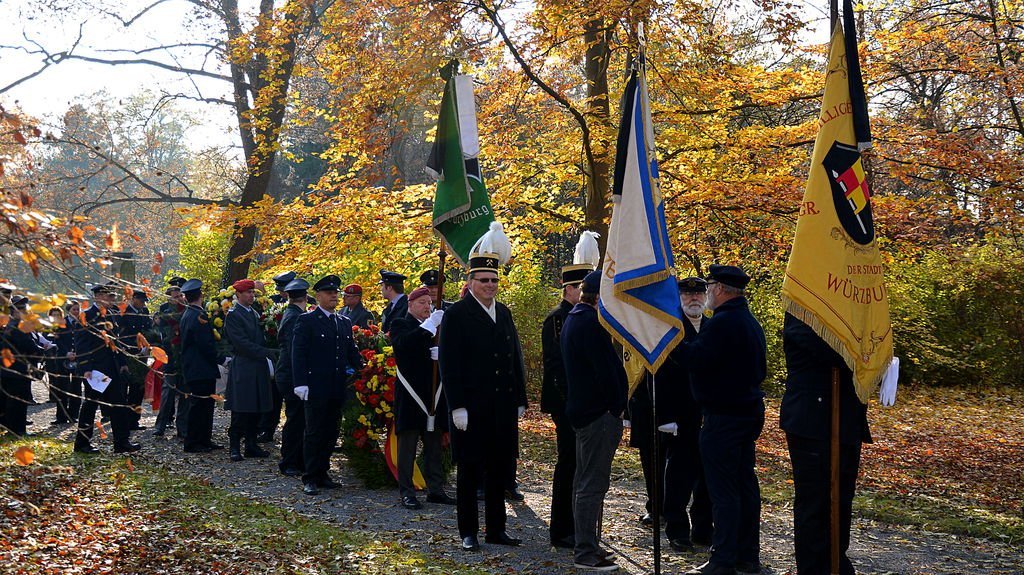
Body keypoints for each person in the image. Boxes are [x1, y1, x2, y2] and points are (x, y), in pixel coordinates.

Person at [439, 245, 527, 552]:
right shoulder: (457, 315)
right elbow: (450, 365)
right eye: (484, 280)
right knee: (470, 470)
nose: (490, 285)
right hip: (472, 408)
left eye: (494, 280)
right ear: (470, 282)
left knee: (498, 470)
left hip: (501, 406)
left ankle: (496, 529)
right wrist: (457, 406)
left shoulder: (503, 312)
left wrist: (520, 398)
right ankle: (469, 532)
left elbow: (514, 358)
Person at [681, 265, 766, 575]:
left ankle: (723, 559)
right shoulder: (748, 321)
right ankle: (747, 556)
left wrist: (673, 343)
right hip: (746, 412)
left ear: (718, 289)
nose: (707, 294)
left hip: (724, 416)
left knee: (724, 491)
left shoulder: (722, 324)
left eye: (709, 287)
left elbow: (697, 361)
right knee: (744, 486)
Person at [780, 313, 872, 575]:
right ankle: (814, 568)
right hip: (814, 422)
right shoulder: (802, 311)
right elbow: (830, 350)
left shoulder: (848, 309)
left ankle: (836, 562)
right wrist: (867, 352)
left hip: (846, 420)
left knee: (842, 499)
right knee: (816, 502)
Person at [560, 270, 628, 572]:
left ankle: (588, 542)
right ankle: (585, 550)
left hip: (589, 411)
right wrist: (617, 406)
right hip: (597, 413)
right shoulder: (589, 322)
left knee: (587, 480)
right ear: (601, 297)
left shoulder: (579, 317)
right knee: (591, 482)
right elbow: (605, 371)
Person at [540, 243, 594, 549]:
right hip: (566, 404)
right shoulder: (557, 320)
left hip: (586, 404)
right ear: (568, 289)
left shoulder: (588, 317)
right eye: (581, 288)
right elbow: (555, 367)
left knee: (585, 466)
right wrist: (568, 402)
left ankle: (581, 525)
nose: (585, 294)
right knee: (569, 464)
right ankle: (561, 528)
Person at [291, 274, 362, 495]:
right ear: (318, 296)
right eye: (329, 293)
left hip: (336, 385)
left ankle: (322, 472)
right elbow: (298, 353)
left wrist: (366, 368)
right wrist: (300, 383)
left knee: (331, 431)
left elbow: (350, 352)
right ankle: (310, 476)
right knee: (314, 432)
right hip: (315, 385)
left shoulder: (344, 322)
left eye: (335, 293)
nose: (333, 296)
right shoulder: (307, 320)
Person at [660, 277, 714, 551]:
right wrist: (665, 417)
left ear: (706, 296)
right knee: (679, 477)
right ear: (678, 297)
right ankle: (677, 530)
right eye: (687, 294)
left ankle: (704, 530)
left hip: (710, 415)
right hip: (681, 417)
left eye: (698, 293)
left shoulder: (714, 326)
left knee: (707, 478)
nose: (693, 298)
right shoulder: (670, 327)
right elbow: (661, 376)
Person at [389, 286, 455, 509]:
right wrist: (428, 327)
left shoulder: (437, 327)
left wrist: (442, 353)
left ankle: (435, 489)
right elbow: (403, 345)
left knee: (433, 445)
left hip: (433, 394)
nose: (427, 307)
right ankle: (407, 492)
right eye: (422, 303)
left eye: (429, 303)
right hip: (410, 394)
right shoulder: (401, 323)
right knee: (407, 447)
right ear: (410, 305)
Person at [73, 282, 140, 454]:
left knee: (119, 405)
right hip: (96, 370)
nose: (111, 299)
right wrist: (86, 369)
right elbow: (82, 346)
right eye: (107, 296)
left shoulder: (112, 314)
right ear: (98, 297)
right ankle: (82, 444)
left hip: (113, 368)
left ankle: (121, 442)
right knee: (90, 405)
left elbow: (116, 342)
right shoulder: (87, 316)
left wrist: (123, 363)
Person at [224, 278, 277, 462]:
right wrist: (266, 352)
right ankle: (234, 447)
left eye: (253, 292)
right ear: (238, 294)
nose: (251, 295)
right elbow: (241, 343)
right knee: (241, 408)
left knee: (256, 407)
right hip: (244, 366)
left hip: (257, 365)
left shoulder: (253, 313)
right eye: (248, 292)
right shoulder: (233, 315)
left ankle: (251, 444)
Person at [178, 279, 224, 453]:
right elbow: (205, 344)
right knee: (200, 406)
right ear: (200, 295)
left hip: (195, 368)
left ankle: (203, 439)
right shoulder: (198, 315)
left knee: (203, 406)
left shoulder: (188, 314)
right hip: (201, 368)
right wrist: (220, 358)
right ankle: (194, 441)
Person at [275, 277, 309, 477]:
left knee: (297, 418)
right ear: (305, 297)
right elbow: (294, 349)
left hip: (287, 372)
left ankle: (295, 459)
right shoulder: (296, 317)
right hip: (291, 374)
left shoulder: (291, 313)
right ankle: (289, 461)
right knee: (295, 419)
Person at [1, 296, 47, 436]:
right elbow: (28, 345)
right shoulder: (17, 327)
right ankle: (18, 430)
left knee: (14, 402)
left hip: (13, 371)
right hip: (17, 370)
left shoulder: (14, 325)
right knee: (18, 402)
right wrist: (42, 350)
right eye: (22, 310)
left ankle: (12, 429)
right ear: (15, 312)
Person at [119, 289, 154, 431]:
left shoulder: (144, 312)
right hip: (129, 354)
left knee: (138, 388)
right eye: (140, 300)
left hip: (142, 356)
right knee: (126, 389)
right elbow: (122, 336)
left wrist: (148, 345)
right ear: (133, 299)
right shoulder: (124, 313)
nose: (142, 304)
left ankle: (134, 420)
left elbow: (149, 330)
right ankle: (124, 419)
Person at [46, 306, 78, 425]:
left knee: (76, 388)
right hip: (63, 359)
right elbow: (58, 340)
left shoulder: (82, 322)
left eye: (78, 309)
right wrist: (66, 352)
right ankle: (61, 416)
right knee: (62, 388)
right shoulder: (61, 323)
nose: (76, 312)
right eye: (74, 309)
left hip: (77, 358)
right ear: (69, 311)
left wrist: (77, 353)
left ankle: (73, 415)